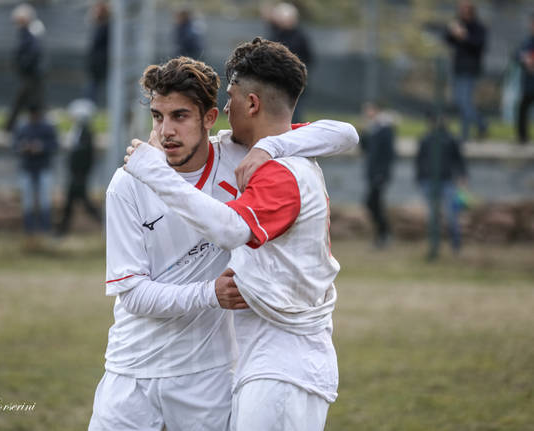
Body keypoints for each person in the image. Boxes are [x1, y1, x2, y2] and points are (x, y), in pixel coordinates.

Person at [89, 55, 358, 431]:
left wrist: (271, 148)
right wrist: (210, 293)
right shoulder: (129, 182)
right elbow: (131, 295)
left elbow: (344, 133)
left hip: (209, 376)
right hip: (131, 369)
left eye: (179, 116)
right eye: (157, 116)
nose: (166, 130)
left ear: (210, 117)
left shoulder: (241, 157)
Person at [415, 111, 468, 260]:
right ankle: (434, 247)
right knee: (433, 216)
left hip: (447, 181)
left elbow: (459, 160)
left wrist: (463, 177)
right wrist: (420, 178)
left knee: (452, 215)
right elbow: (419, 160)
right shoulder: (426, 139)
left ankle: (455, 245)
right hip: (428, 181)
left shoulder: (451, 139)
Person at [13, 104, 58, 249]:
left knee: (44, 201)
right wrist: (23, 147)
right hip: (28, 168)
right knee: (28, 202)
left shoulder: (47, 128)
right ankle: (29, 230)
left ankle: (45, 229)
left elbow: (54, 145)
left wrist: (41, 147)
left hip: (43, 167)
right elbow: (14, 145)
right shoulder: (23, 128)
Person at [56, 99, 102, 236]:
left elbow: (85, 155)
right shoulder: (78, 131)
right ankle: (62, 229)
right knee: (74, 202)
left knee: (79, 203)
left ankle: (62, 230)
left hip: (79, 174)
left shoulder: (86, 133)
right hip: (75, 174)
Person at [444, 0, 487, 142]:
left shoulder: (478, 27)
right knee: (459, 101)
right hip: (458, 68)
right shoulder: (458, 24)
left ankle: (468, 132)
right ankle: (479, 125)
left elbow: (478, 45)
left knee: (464, 102)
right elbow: (448, 39)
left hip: (470, 69)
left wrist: (463, 36)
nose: (462, 12)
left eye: (465, 9)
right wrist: (453, 31)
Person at [263, 2, 312, 122]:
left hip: (294, 82)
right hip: (276, 82)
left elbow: (309, 59)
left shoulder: (300, 37)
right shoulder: (275, 34)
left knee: (294, 116)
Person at [4, 3, 45, 132]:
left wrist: (23, 64)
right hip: (30, 73)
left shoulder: (32, 32)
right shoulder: (26, 32)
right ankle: (38, 127)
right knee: (34, 102)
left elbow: (34, 52)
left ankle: (9, 127)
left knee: (28, 101)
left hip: (32, 73)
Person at [360, 101, 395, 248]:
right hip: (373, 173)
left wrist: (382, 173)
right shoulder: (373, 128)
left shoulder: (385, 129)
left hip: (379, 174)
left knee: (372, 203)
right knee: (372, 203)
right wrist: (364, 132)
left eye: (369, 109)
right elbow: (364, 148)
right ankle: (382, 234)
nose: (367, 112)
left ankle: (384, 234)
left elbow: (389, 154)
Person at [84, 0, 110, 103]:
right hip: (97, 62)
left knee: (95, 86)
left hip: (102, 62)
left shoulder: (105, 27)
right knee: (94, 85)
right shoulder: (100, 26)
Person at [516, 12, 534, 145]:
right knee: (523, 108)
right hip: (529, 82)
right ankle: (522, 137)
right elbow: (518, 55)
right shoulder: (527, 41)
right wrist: (525, 60)